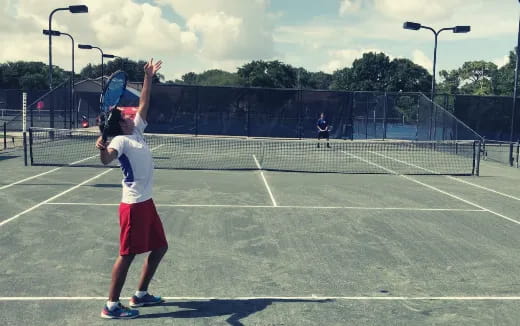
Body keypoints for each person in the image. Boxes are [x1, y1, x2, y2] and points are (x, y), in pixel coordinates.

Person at [96, 59, 168, 319]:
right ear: (119, 123)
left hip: (146, 202)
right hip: (133, 205)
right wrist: (103, 148)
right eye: (125, 115)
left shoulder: (136, 129)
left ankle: (140, 295)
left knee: (160, 247)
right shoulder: (120, 139)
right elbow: (107, 159)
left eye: (129, 113)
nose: (130, 115)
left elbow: (144, 103)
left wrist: (148, 77)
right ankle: (111, 306)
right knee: (127, 255)